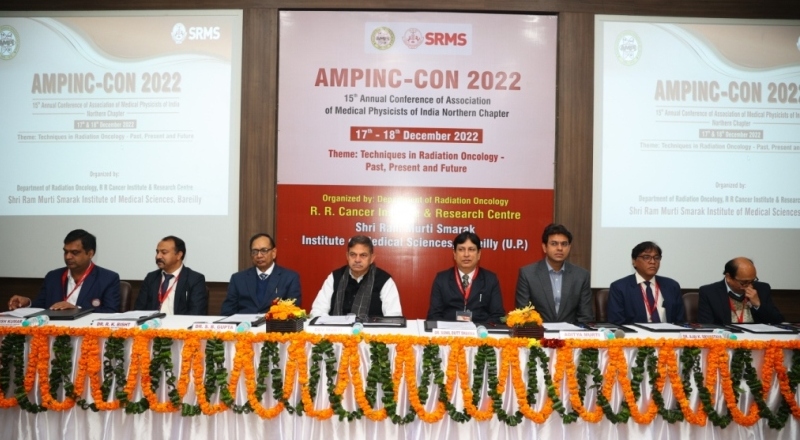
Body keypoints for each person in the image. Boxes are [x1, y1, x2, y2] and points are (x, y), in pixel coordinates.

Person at [8, 229, 120, 313]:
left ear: (90, 253)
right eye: (66, 252)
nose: (68, 257)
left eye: (74, 253)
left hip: (87, 333)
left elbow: (111, 312)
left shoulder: (108, 278)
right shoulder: (53, 277)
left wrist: (77, 309)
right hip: (54, 332)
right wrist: (27, 303)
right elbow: (40, 307)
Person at [515, 224, 593, 323]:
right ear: (544, 247)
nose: (560, 248)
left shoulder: (581, 276)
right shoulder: (528, 274)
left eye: (564, 244)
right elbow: (523, 314)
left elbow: (585, 316)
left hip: (570, 332)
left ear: (569, 248)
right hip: (539, 331)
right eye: (554, 244)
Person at [309, 235, 401, 318]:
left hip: (371, 331)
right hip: (337, 331)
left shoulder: (384, 281)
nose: (357, 260)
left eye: (363, 255)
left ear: (372, 258)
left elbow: (393, 317)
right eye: (353, 255)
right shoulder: (335, 277)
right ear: (347, 256)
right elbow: (317, 311)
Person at [427, 231, 506, 323]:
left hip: (480, 330)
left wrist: (479, 328)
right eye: (461, 249)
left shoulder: (490, 279)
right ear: (454, 254)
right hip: (450, 330)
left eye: (471, 249)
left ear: (479, 254)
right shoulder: (441, 279)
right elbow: (434, 316)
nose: (466, 254)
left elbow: (498, 316)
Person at [221, 233, 301, 315]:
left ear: (273, 253)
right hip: (243, 323)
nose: (259, 255)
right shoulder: (238, 279)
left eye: (264, 250)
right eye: (255, 251)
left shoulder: (289, 278)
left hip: (274, 322)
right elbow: (227, 312)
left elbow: (292, 312)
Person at [607, 241, 685, 324]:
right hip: (635, 332)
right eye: (646, 257)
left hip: (668, 332)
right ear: (634, 261)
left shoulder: (672, 286)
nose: (653, 262)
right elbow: (617, 322)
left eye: (656, 257)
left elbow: (680, 321)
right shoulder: (619, 287)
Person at [133, 236, 208, 315]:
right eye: (157, 252)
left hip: (179, 323)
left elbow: (196, 313)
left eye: (164, 252)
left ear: (179, 255)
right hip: (152, 322)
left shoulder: (195, 279)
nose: (158, 256)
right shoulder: (151, 278)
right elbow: (138, 310)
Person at [697, 257, 783, 325]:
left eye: (752, 281)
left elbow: (778, 321)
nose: (749, 286)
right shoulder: (709, 292)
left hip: (756, 339)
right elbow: (706, 325)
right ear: (728, 277)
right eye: (744, 283)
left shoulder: (762, 289)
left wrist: (758, 305)